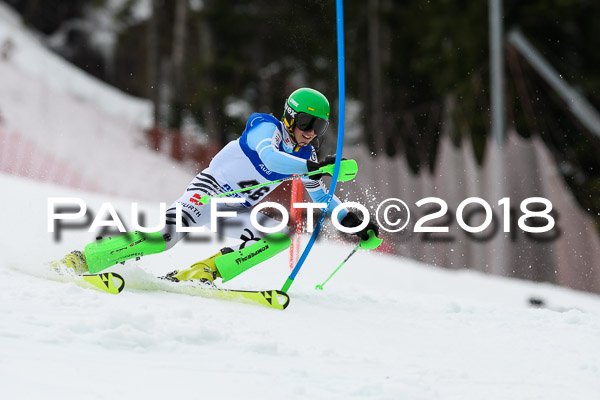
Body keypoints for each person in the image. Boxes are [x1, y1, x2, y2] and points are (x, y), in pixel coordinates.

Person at [55, 87, 379, 285]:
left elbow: (320, 196)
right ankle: (84, 259)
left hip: (234, 209)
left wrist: (353, 221)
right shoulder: (265, 127)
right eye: (307, 124)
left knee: (278, 237)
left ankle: (202, 274)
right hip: (208, 194)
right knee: (162, 240)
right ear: (290, 117)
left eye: (318, 127)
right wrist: (317, 165)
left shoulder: (305, 154)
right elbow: (270, 158)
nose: (311, 133)